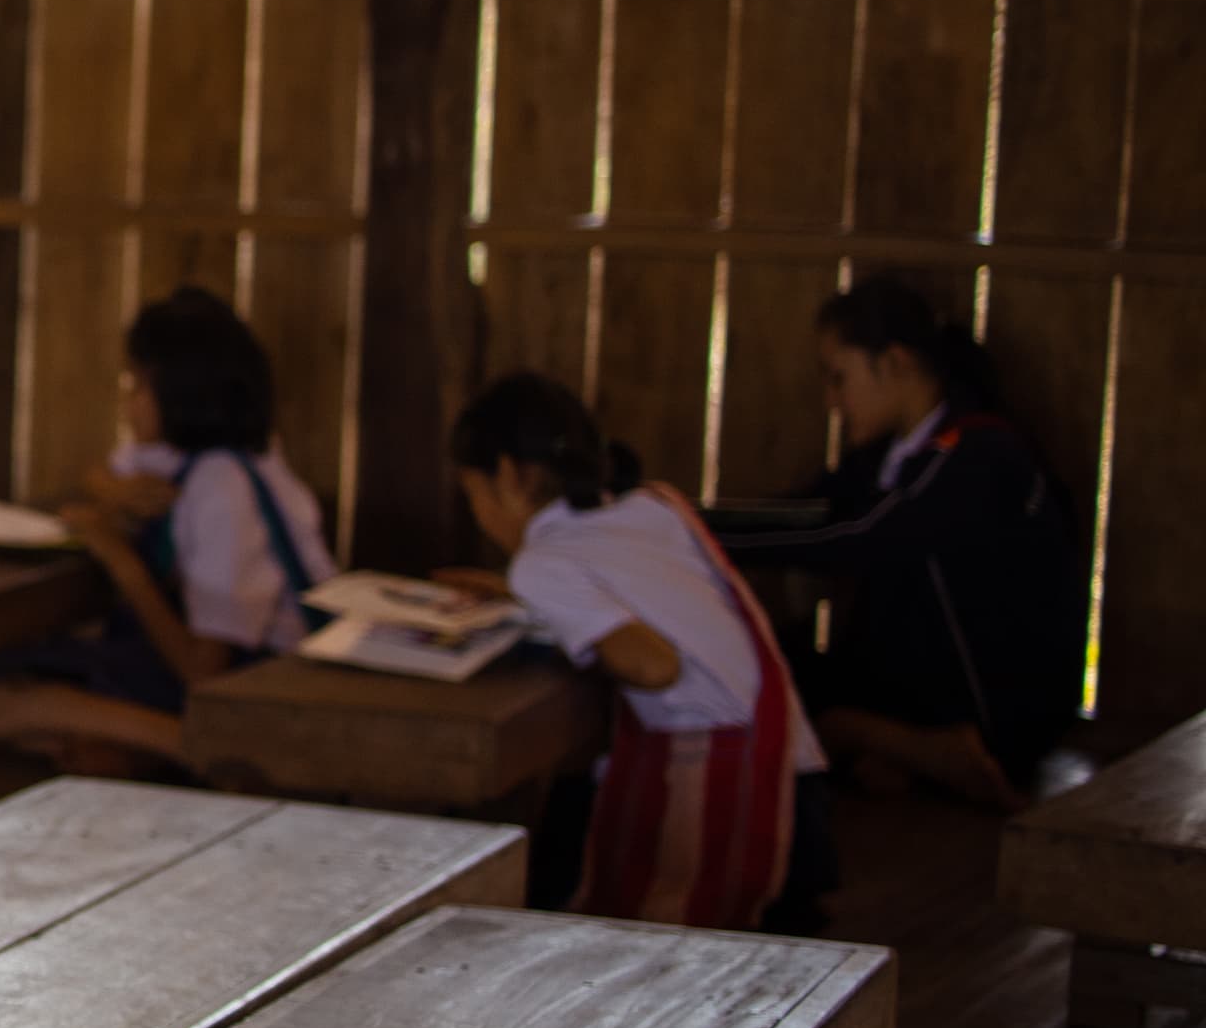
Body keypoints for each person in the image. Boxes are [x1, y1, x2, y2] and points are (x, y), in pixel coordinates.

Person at [446, 374, 825, 927]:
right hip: (799, 780)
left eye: (473, 494)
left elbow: (655, 665)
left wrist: (547, 607)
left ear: (507, 475)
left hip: (732, 798)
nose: (479, 513)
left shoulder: (541, 564)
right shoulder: (652, 507)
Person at [731, 276, 1082, 812]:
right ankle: (899, 750)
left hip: (998, 710)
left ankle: (890, 740)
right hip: (926, 688)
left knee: (796, 701)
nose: (832, 401)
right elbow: (808, 511)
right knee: (766, 669)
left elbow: (861, 538)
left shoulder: (977, 453)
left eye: (838, 378)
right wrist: (696, 522)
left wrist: (705, 535)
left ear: (894, 364)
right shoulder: (890, 455)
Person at [0, 286, 337, 774]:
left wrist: (118, 556)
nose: (127, 402)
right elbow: (104, 470)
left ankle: (189, 745)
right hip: (234, 668)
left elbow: (204, 670)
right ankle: (127, 745)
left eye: (137, 386)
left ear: (179, 395)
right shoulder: (220, 455)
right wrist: (111, 491)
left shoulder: (222, 490)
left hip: (264, 680)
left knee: (0, 701)